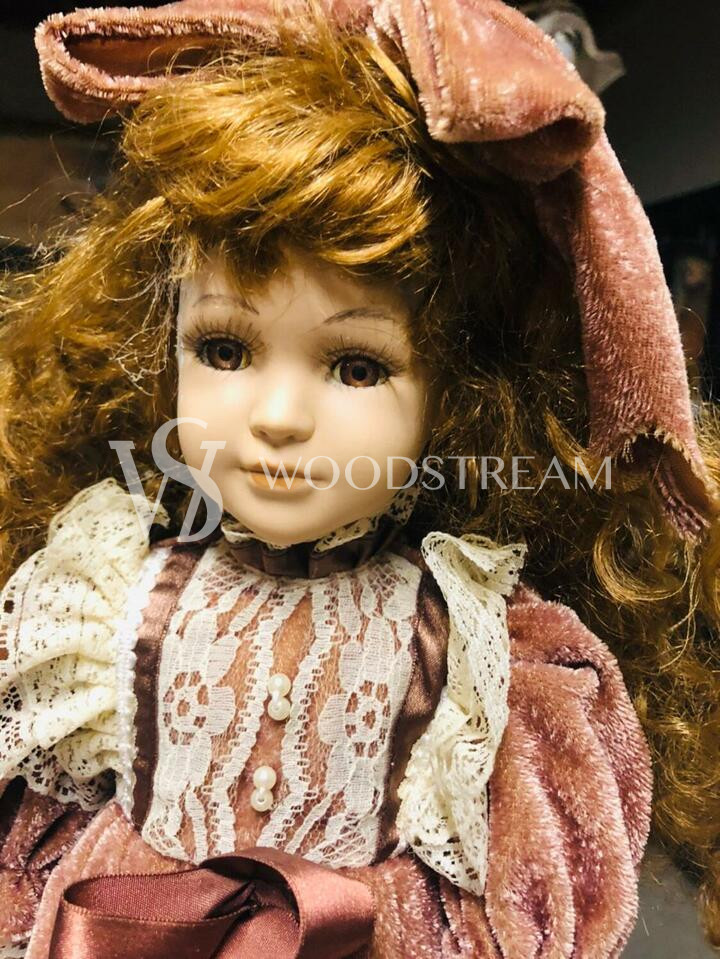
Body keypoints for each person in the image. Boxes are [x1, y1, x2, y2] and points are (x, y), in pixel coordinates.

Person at [1, 0, 718, 955]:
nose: (278, 415)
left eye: (356, 365)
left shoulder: (480, 649)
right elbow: (34, 855)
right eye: (224, 348)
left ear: (459, 396)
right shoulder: (100, 601)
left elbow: (515, 908)